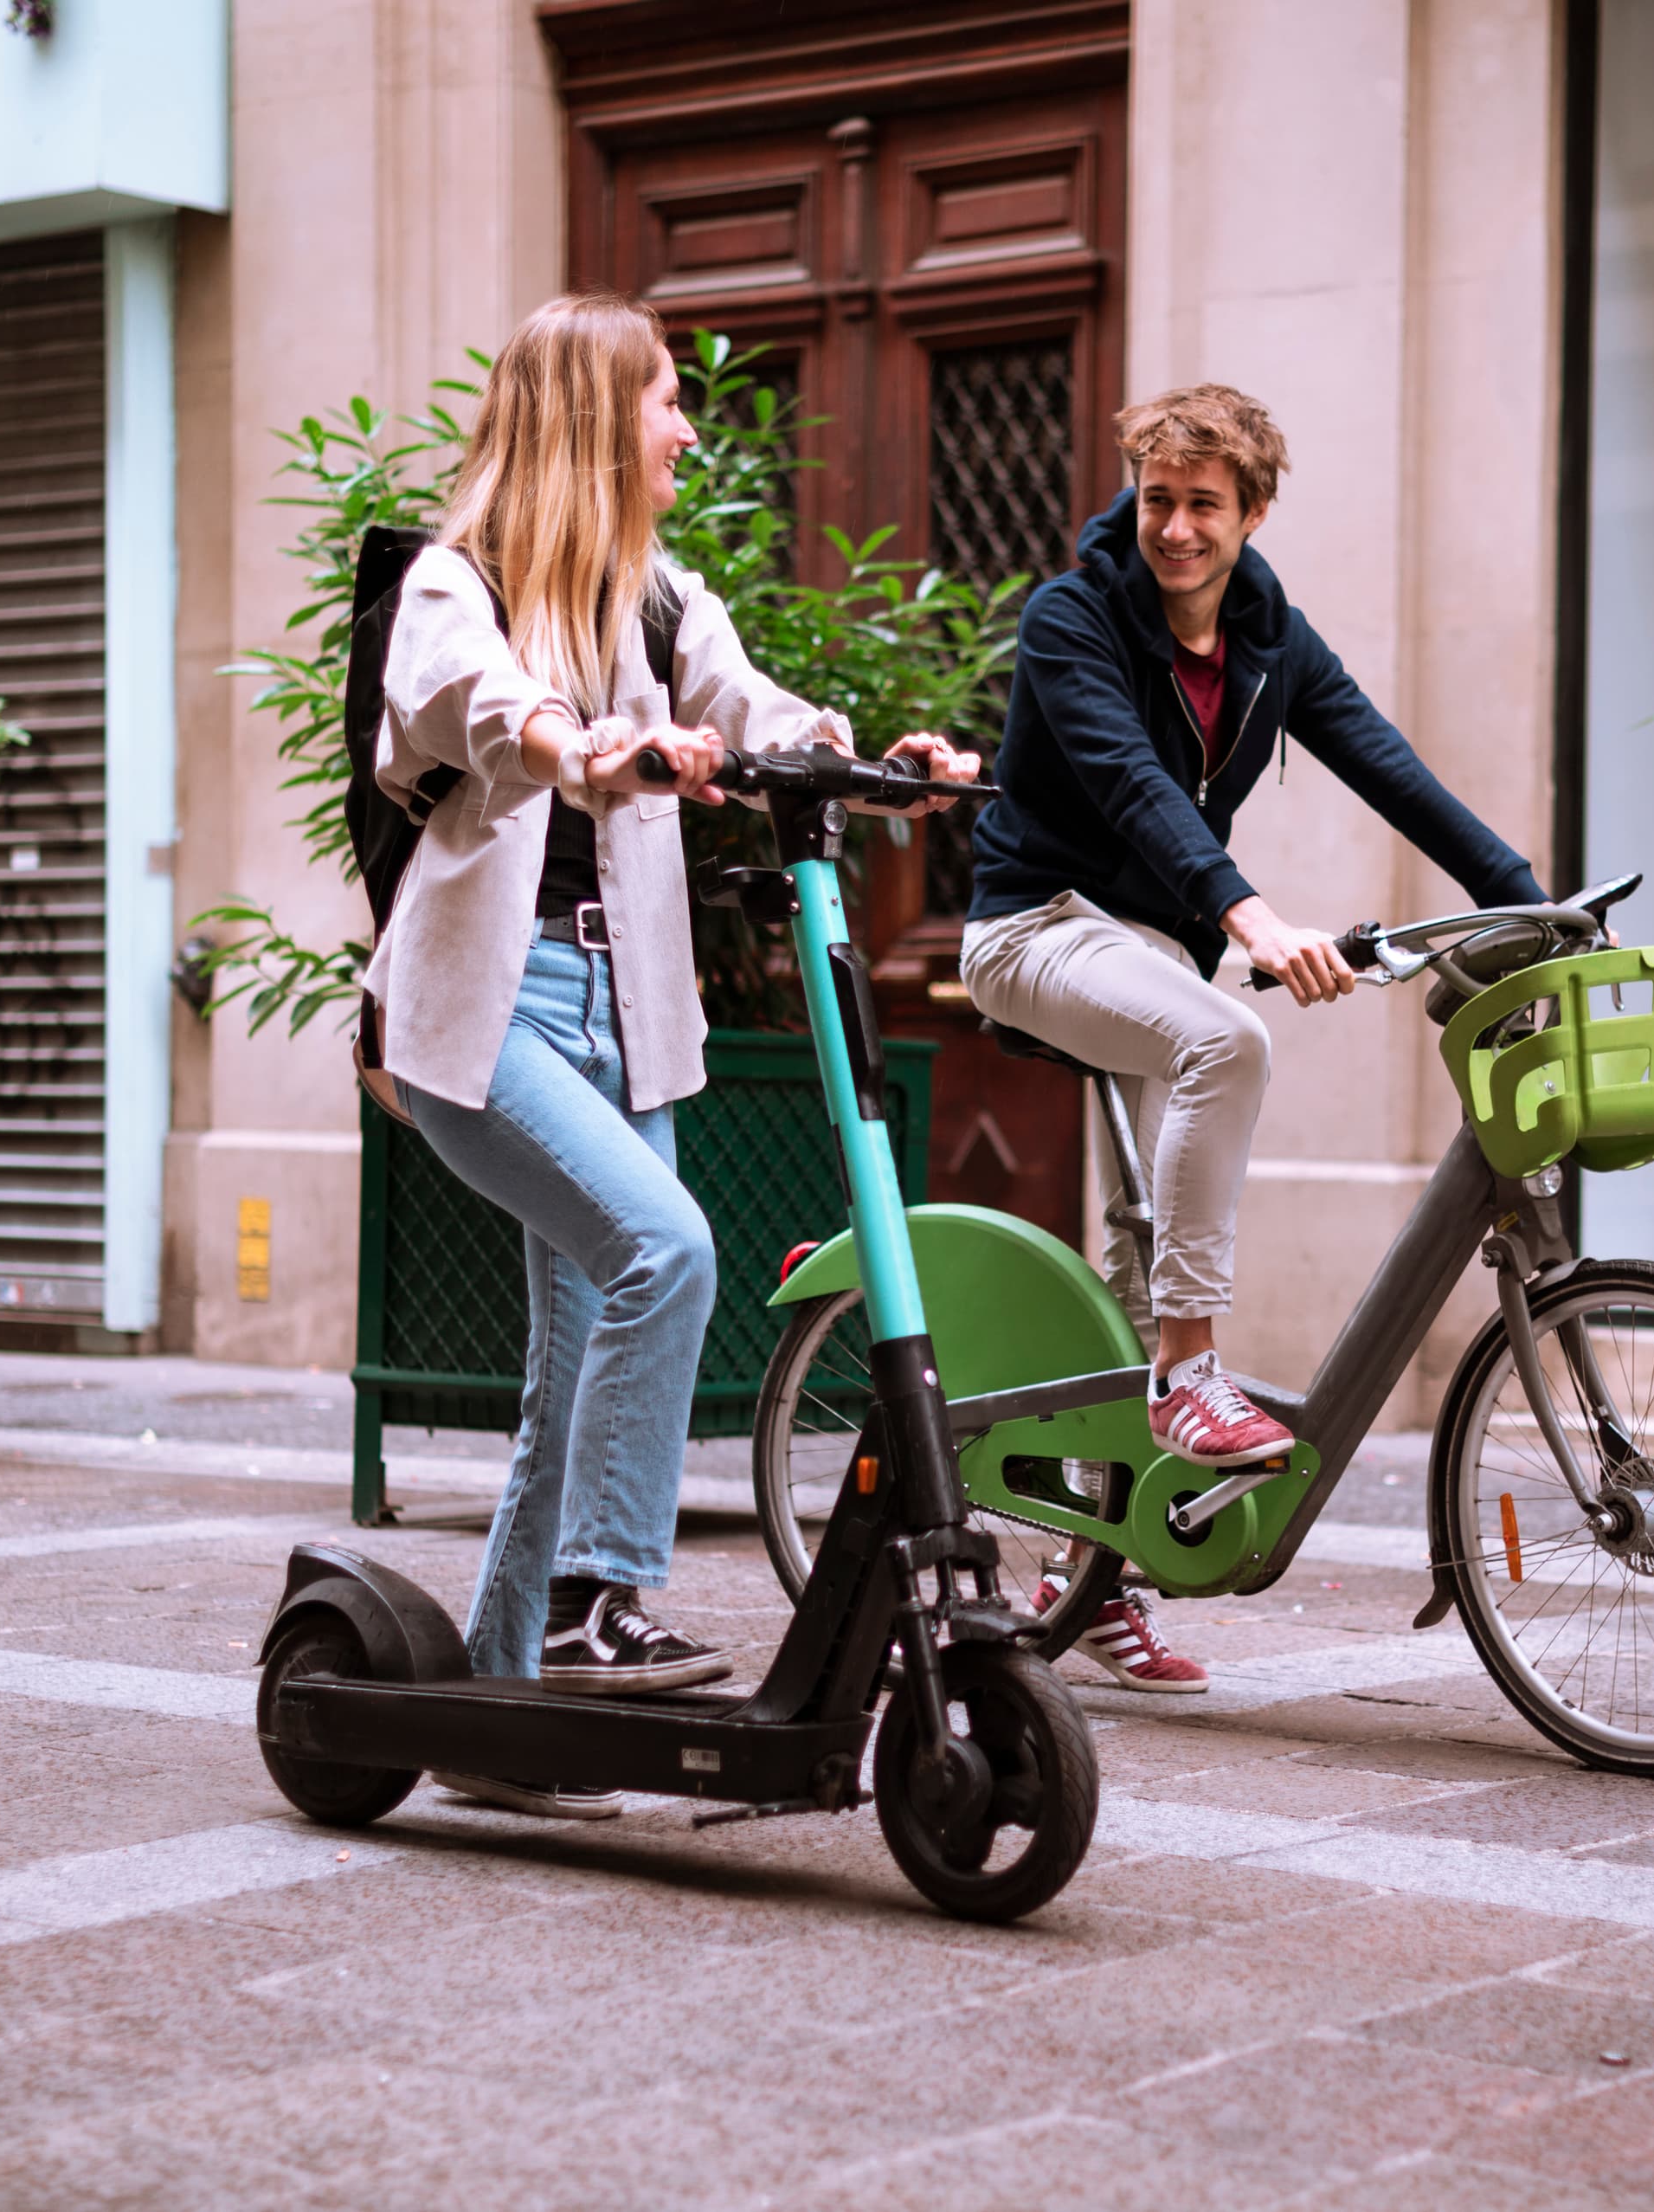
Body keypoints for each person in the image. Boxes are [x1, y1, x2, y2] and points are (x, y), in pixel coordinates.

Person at [366, 293, 978, 1814]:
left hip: (625, 1022)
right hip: (487, 1020)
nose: (687, 429)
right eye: (663, 403)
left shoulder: (660, 599)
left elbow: (750, 706)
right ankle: (595, 1600)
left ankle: (493, 1728)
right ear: (590, 415)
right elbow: (474, 710)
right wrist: (587, 748)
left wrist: (872, 766)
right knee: (670, 1252)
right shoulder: (462, 582)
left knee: (567, 1382)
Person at [959, 384, 1547, 1693]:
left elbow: (1384, 763)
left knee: (1153, 1204)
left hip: (1152, 952)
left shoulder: (1272, 637)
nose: (1174, 529)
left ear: (1252, 514)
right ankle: (1187, 1375)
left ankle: (1083, 1576)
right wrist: (1252, 915)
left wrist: (1527, 894)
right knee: (1232, 1044)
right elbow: (1130, 780)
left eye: (1203, 507)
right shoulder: (1072, 617)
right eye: (1157, 500)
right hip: (1035, 926)